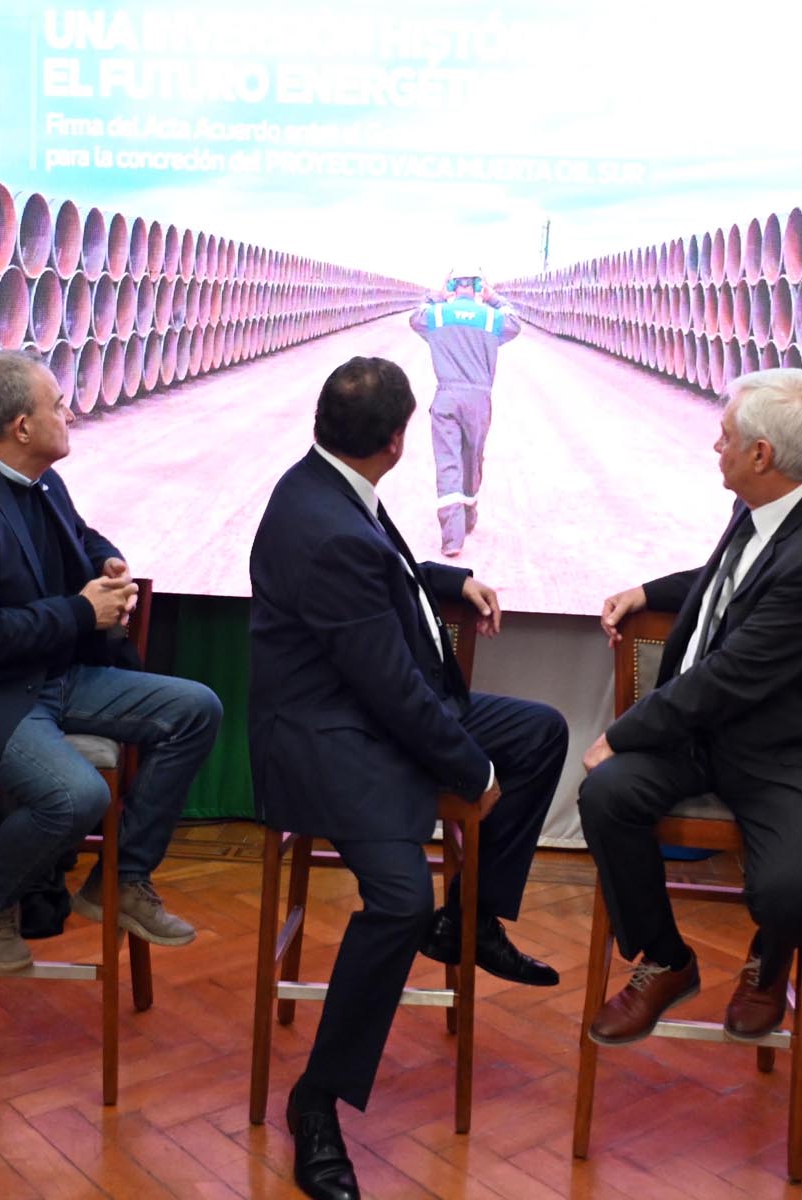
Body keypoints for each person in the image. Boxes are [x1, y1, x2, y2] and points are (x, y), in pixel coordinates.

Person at [249, 356, 568, 1200]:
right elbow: (388, 688)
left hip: (377, 714)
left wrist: (451, 580)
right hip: (332, 740)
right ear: (397, 441)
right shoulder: (328, 526)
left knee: (539, 733)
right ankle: (316, 1102)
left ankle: (472, 922)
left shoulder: (329, 484)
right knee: (399, 901)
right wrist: (472, 770)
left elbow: (383, 573)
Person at [0, 349, 221, 973]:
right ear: (21, 426)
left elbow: (80, 536)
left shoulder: (40, 480)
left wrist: (106, 562)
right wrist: (81, 611)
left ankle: (121, 879)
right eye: (58, 405)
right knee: (76, 795)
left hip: (50, 677)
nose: (69, 414)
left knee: (196, 709)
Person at [580, 367, 802, 1045]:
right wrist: (648, 591)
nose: (717, 445)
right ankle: (666, 959)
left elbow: (730, 677)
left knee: (788, 892)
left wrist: (621, 734)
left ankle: (769, 960)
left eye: (726, 435)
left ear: (762, 454)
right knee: (608, 797)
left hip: (783, 752)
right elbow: (731, 582)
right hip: (704, 737)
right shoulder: (769, 506)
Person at [407, 270, 520, 557]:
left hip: (446, 397)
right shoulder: (491, 318)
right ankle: (468, 517)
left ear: (453, 286)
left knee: (448, 463)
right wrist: (494, 298)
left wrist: (436, 295)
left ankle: (452, 538)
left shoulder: (438, 315)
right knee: (472, 460)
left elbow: (415, 317)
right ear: (479, 286)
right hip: (479, 400)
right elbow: (515, 322)